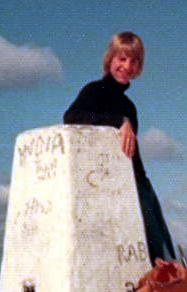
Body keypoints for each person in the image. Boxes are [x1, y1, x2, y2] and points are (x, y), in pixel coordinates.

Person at [63, 32, 176, 265]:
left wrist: (145, 185)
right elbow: (72, 116)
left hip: (138, 180)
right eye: (121, 59)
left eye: (134, 61)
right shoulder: (94, 90)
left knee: (163, 246)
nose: (127, 66)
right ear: (110, 60)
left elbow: (132, 150)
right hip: (115, 184)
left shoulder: (129, 105)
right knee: (155, 252)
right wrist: (119, 122)